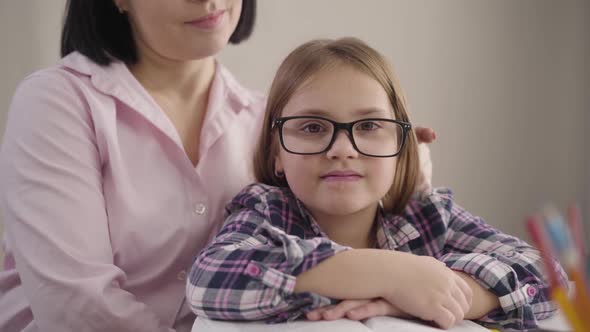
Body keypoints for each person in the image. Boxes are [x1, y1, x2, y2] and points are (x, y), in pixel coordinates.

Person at [0, 1, 435, 331]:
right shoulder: (58, 101)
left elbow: (319, 252)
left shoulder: (277, 126)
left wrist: (406, 176)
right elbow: (73, 303)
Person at [186, 37, 569, 331]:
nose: (341, 149)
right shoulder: (269, 211)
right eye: (313, 127)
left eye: (369, 126)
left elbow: (551, 277)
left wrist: (448, 292)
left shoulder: (427, 215)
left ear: (402, 147)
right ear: (276, 155)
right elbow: (210, 279)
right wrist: (389, 273)